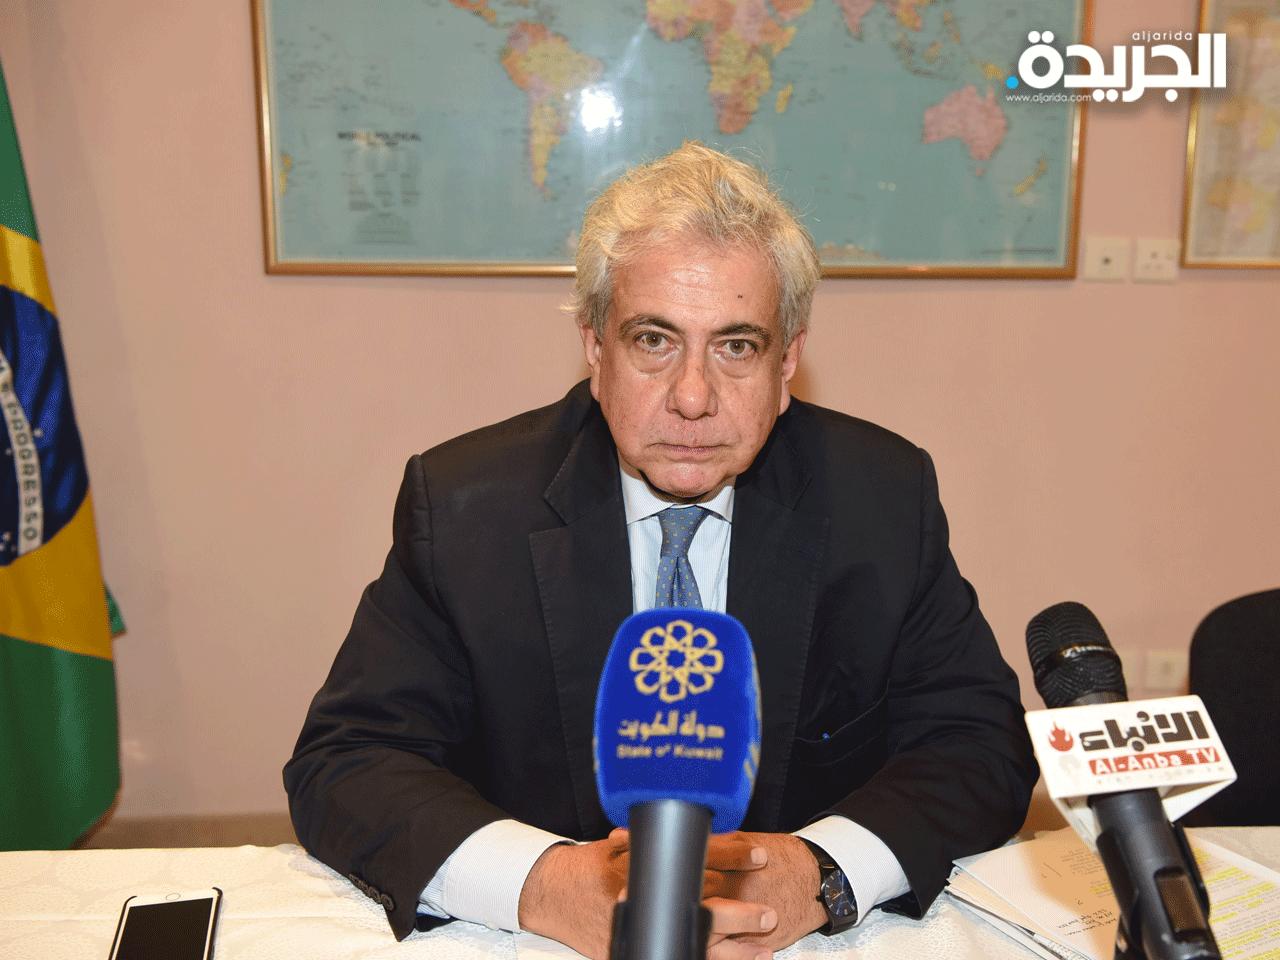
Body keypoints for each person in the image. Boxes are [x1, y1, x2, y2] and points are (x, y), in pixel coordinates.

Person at [284, 142, 1037, 959]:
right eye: (654, 340)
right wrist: (544, 884)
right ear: (594, 347)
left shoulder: (880, 496)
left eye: (736, 346)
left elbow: (978, 744)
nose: (692, 397)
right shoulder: (466, 504)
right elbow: (347, 760)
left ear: (788, 361)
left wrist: (819, 872)